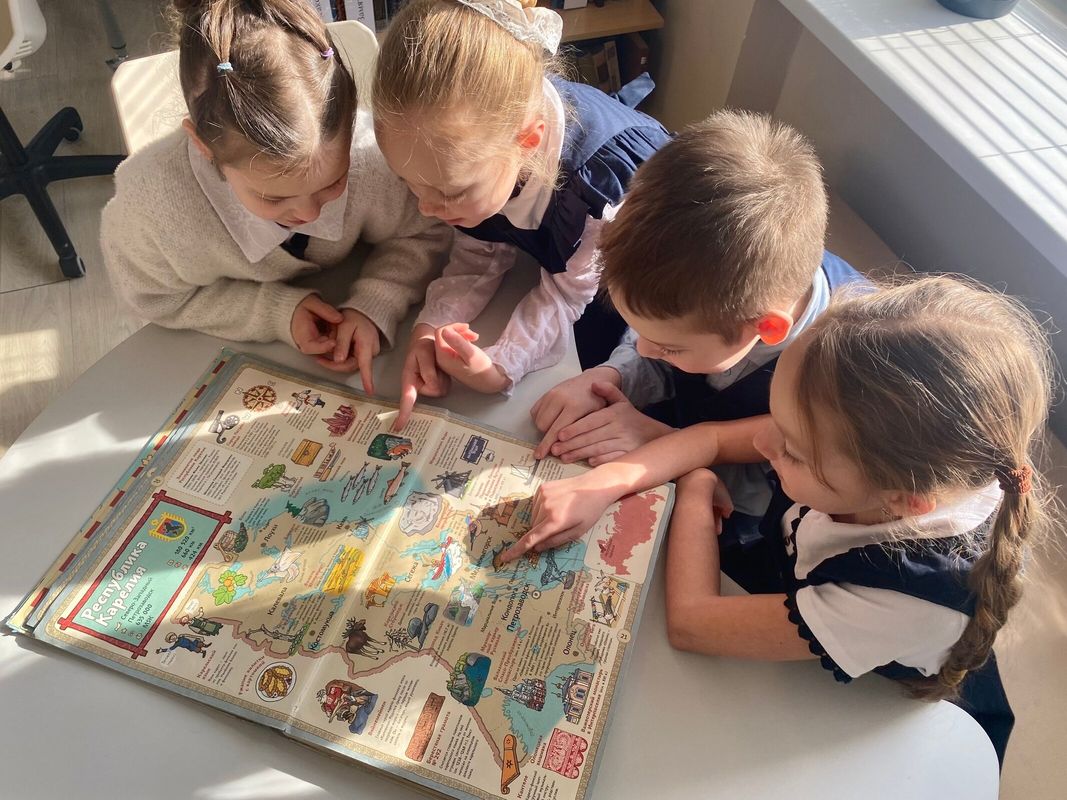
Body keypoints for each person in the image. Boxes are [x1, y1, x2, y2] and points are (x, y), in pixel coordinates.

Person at [514, 276, 1053, 766]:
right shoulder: (866, 444)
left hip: (854, 710)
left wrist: (696, 484)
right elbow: (711, 437)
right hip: (796, 572)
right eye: (777, 418)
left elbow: (692, 623)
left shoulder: (903, 601)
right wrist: (602, 485)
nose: (762, 442)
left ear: (902, 501)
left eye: (791, 450)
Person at [530, 110, 865, 540]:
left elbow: (781, 493)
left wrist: (665, 443)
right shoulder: (710, 295)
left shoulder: (843, 381)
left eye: (670, 348)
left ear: (766, 329)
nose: (645, 348)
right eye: (641, 331)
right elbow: (652, 346)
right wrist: (610, 374)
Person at [102, 0, 451, 393]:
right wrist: (274, 312)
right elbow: (153, 297)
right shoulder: (150, 210)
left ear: (352, 122)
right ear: (204, 146)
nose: (309, 213)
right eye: (273, 198)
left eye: (333, 183)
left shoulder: (370, 156)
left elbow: (425, 230)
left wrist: (375, 302)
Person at [373, 0, 670, 427]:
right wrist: (432, 325)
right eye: (409, 183)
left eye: (449, 192)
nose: (425, 208)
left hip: (643, 274)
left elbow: (566, 294)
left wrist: (502, 365)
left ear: (528, 143)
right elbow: (482, 248)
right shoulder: (478, 150)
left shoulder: (594, 194)